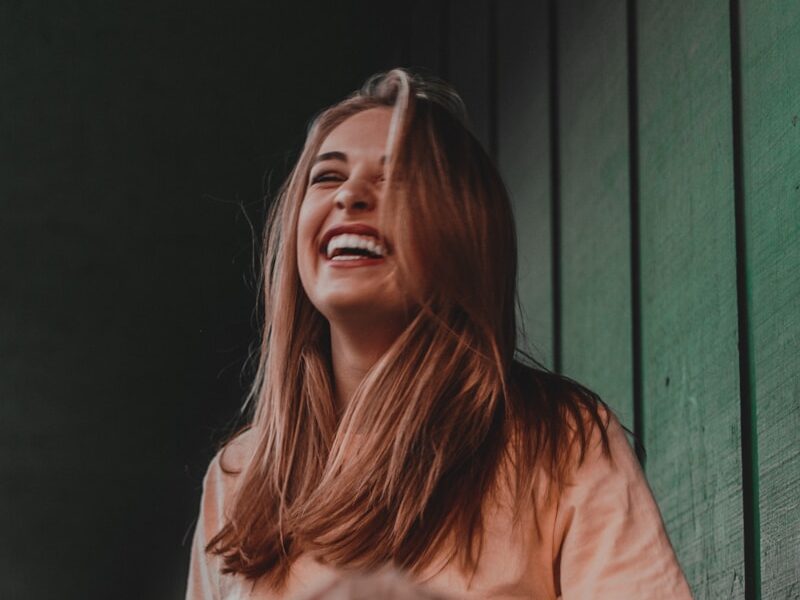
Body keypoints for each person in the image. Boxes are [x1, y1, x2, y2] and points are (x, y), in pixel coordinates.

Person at [186, 68, 692, 599]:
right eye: (327, 177)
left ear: (462, 232)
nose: (351, 195)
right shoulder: (239, 475)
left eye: (395, 179)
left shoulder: (561, 438)